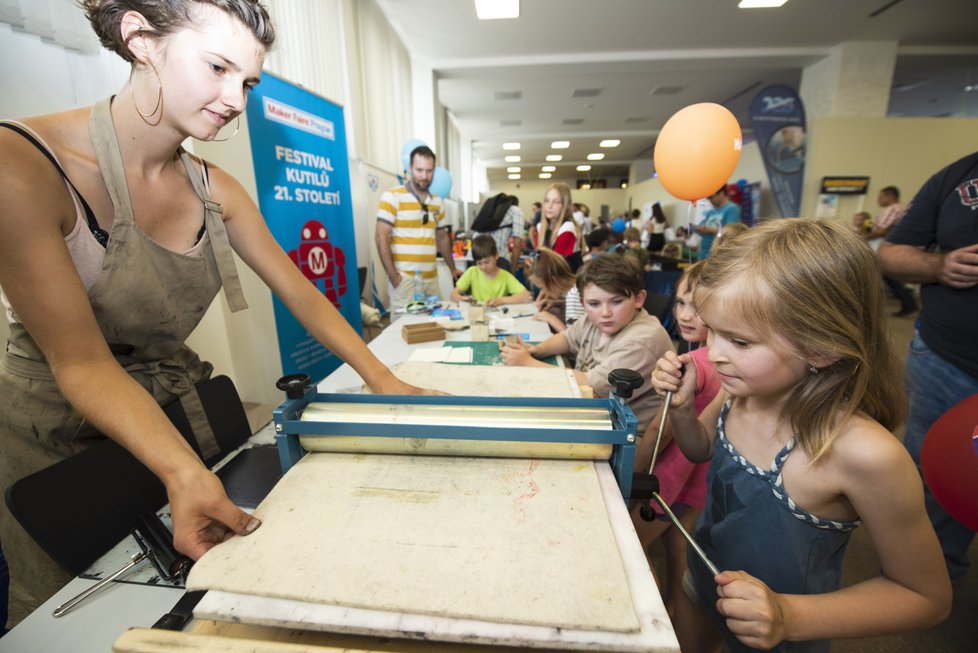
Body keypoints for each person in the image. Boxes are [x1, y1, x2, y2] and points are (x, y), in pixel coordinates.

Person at [0, 0, 433, 625]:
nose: (235, 97)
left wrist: (383, 379)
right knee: (75, 612)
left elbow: (304, 293)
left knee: (184, 590)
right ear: (140, 40)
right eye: (218, 67)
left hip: (166, 408)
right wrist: (183, 469)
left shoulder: (216, 191)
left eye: (248, 81)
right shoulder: (24, 165)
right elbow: (82, 363)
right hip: (56, 433)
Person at [652, 219, 951, 652]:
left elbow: (925, 595)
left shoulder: (867, 455)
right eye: (712, 330)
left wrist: (788, 616)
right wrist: (681, 411)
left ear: (821, 346)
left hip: (783, 632)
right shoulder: (740, 395)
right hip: (702, 578)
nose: (713, 353)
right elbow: (700, 450)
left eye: (739, 341)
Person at [878, 151, 978, 582]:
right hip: (947, 359)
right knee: (929, 471)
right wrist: (940, 264)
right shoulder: (958, 176)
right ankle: (932, 573)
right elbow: (890, 253)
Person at [630, 262, 720, 650]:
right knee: (679, 551)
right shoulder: (718, 358)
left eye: (697, 306)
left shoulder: (694, 364)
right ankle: (678, 628)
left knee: (630, 548)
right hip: (698, 482)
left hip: (670, 477)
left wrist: (631, 473)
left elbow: (660, 430)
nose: (684, 314)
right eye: (681, 302)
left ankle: (651, 629)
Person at [502, 254, 673, 434]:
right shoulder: (596, 320)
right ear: (583, 303)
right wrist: (535, 350)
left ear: (638, 298)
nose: (605, 312)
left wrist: (527, 363)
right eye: (594, 303)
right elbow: (567, 338)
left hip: (625, 436)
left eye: (616, 302)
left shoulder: (641, 340)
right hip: (600, 416)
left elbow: (590, 389)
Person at [375, 145, 461, 312]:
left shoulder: (437, 201)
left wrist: (452, 268)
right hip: (404, 279)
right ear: (410, 168)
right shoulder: (392, 196)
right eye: (419, 170)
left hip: (430, 278)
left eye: (429, 171)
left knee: (436, 324)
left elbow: (442, 237)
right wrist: (392, 275)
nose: (424, 176)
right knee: (403, 329)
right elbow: (380, 237)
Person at [865, 186, 918, 317]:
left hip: (885, 247)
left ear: (890, 196)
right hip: (895, 247)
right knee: (887, 277)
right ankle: (908, 302)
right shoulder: (901, 208)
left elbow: (882, 231)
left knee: (887, 277)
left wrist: (863, 237)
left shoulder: (893, 209)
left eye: (881, 196)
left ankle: (908, 302)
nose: (879, 199)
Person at [449, 235, 531, 307]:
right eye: (479, 263)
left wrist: (501, 300)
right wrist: (464, 299)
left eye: (487, 262)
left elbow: (527, 297)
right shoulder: (472, 272)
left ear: (496, 255)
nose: (483, 267)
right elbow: (453, 295)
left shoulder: (505, 276)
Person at [525, 248, 578, 333]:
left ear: (553, 281)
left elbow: (575, 340)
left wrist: (551, 319)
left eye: (542, 288)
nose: (543, 293)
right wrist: (558, 303)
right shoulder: (573, 289)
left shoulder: (575, 296)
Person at [472, 195, 524, 273]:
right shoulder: (516, 211)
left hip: (478, 258)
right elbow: (517, 244)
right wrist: (513, 270)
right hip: (499, 260)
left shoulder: (490, 210)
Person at [536, 183, 583, 271]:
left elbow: (555, 266)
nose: (549, 206)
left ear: (565, 205)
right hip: (549, 279)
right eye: (547, 201)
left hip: (568, 281)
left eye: (556, 202)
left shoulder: (568, 227)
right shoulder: (540, 227)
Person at [695, 185, 740, 260]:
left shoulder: (731, 209)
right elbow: (706, 229)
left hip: (718, 256)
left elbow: (731, 232)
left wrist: (709, 230)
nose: (710, 201)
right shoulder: (711, 212)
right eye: (708, 198)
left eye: (711, 197)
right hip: (703, 254)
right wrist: (701, 230)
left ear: (721, 193)